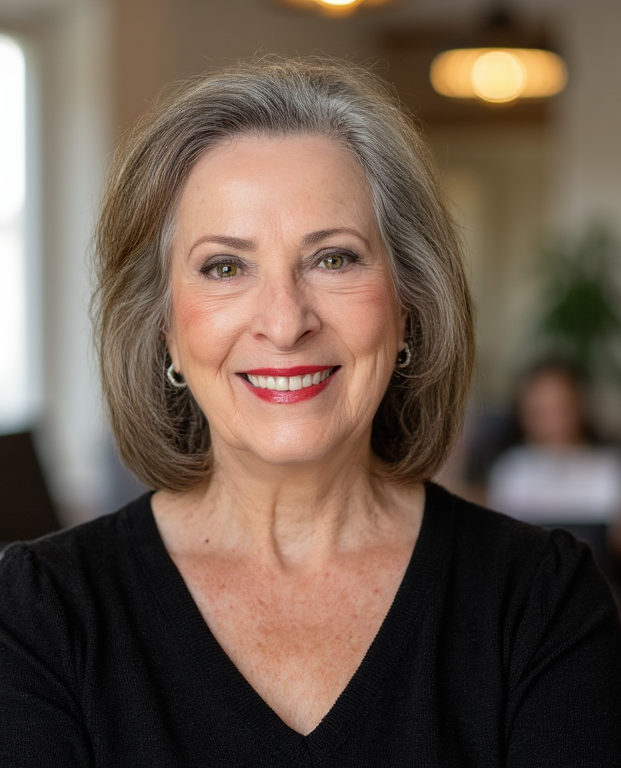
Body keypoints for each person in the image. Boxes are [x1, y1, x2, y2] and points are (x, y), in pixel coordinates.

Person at [1, 58, 620, 766]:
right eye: (225, 267)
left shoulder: (539, 600)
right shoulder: (40, 612)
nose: (285, 321)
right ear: (164, 325)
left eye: (333, 258)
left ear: (407, 302)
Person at [487, 361, 621, 573]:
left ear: (580, 406)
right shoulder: (512, 469)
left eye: (561, 409)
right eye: (539, 412)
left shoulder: (609, 467)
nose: (554, 424)